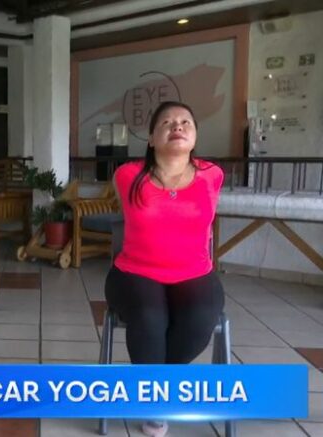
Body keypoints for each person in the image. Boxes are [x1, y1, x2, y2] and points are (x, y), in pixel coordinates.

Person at [105, 101, 225, 437]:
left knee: (199, 317)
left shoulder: (212, 175)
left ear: (195, 135)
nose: (178, 127)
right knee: (149, 317)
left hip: (194, 271)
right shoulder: (128, 175)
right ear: (151, 138)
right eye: (167, 123)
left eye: (186, 122)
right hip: (135, 271)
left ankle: (158, 388)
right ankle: (155, 401)